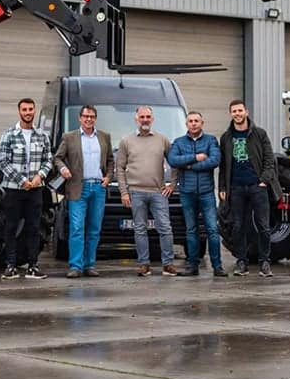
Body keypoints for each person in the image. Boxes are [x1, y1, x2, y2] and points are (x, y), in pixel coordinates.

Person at [219, 99, 283, 277]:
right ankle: (242, 262)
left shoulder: (259, 134)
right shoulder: (226, 137)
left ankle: (264, 262)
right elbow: (223, 165)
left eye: (240, 110)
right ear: (230, 114)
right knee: (238, 226)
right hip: (236, 188)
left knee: (263, 226)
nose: (237, 114)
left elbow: (270, 160)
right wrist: (223, 186)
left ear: (246, 112)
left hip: (257, 187)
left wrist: (263, 180)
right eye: (234, 111)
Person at [115, 106, 177, 277]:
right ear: (136, 119)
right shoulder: (126, 141)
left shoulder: (162, 140)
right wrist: (124, 192)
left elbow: (174, 163)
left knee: (165, 227)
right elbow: (119, 168)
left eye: (148, 116)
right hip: (136, 192)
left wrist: (172, 184)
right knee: (140, 229)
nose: (145, 119)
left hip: (158, 192)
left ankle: (168, 264)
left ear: (153, 119)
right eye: (142, 116)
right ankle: (144, 264)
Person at [54, 104, 114, 278]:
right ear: (80, 118)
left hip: (98, 187)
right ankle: (75, 266)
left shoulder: (104, 137)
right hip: (77, 188)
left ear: (95, 118)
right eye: (86, 116)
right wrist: (63, 168)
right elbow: (57, 157)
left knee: (94, 229)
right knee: (77, 228)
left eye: (92, 116)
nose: (89, 119)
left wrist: (109, 177)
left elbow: (111, 160)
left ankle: (90, 265)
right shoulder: (69, 137)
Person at [0, 98, 52, 280]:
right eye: (24, 109)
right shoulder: (9, 134)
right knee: (11, 227)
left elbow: (48, 160)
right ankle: (10, 265)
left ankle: (33, 266)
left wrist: (39, 177)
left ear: (35, 111)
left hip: (35, 189)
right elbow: (2, 161)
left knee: (33, 228)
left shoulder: (42, 135)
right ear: (19, 111)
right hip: (13, 189)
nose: (28, 112)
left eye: (30, 109)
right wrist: (21, 180)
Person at [168, 111, 227, 277]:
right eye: (190, 121)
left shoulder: (210, 140)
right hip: (187, 192)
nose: (193, 123)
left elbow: (214, 161)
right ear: (186, 124)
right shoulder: (178, 142)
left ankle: (217, 266)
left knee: (212, 230)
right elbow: (173, 160)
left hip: (207, 192)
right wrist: (196, 157)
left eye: (196, 121)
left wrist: (189, 166)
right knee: (191, 230)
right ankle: (192, 266)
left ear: (202, 123)